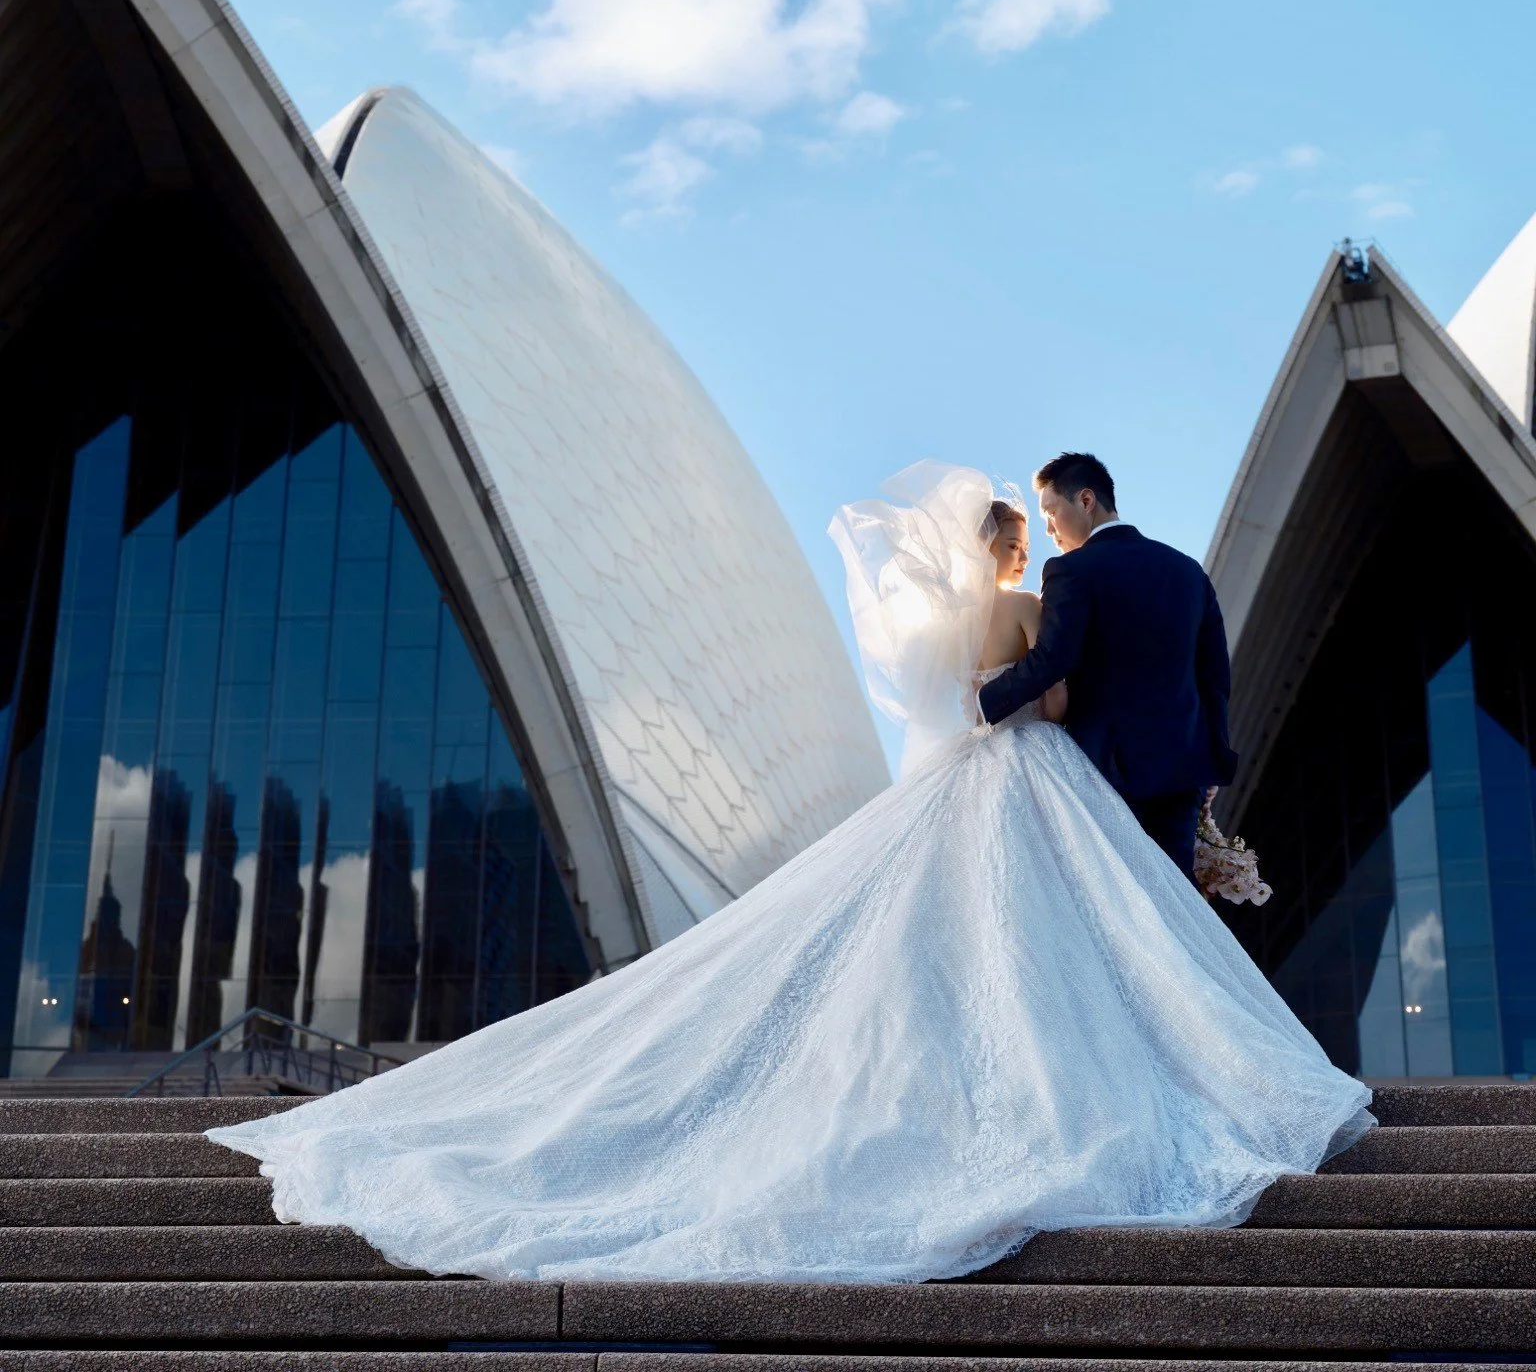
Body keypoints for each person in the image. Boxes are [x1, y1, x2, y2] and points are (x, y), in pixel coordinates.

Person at [207, 460, 1370, 1286]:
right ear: (1031, 533)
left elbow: (1040, 681)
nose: (1046, 540)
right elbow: (1099, 687)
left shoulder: (1030, 596)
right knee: (1121, 938)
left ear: (1061, 507)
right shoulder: (1127, 581)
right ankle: (1178, 1067)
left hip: (997, 770)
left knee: (972, 942)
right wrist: (1171, 762)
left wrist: (977, 710)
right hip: (1106, 780)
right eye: (1033, 532)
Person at [977, 452, 1236, 882]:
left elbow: (1051, 659)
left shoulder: (1071, 570)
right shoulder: (1188, 572)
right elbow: (1214, 677)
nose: (1048, 528)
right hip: (1182, 775)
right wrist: (1213, 760)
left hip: (1106, 771)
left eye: (1050, 512)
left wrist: (986, 699)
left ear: (1084, 500)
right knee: (1175, 911)